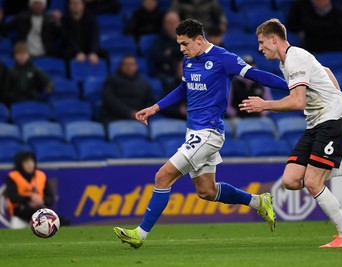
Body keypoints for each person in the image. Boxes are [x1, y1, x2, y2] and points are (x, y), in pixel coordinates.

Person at [113, 19, 291, 249]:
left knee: (162, 176)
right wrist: (155, 108)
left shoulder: (222, 57)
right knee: (206, 191)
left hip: (209, 132)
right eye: (179, 44)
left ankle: (140, 234)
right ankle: (259, 201)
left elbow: (257, 75)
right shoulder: (188, 60)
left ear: (199, 39)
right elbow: (183, 90)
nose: (181, 49)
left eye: (185, 43)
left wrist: (293, 85)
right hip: (194, 132)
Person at [240, 18, 342, 248]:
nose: (260, 48)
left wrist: (265, 105)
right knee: (291, 180)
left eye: (262, 42)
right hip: (316, 123)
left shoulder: (295, 59)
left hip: (331, 121)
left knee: (312, 181)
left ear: (274, 39)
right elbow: (326, 72)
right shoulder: (288, 62)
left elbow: (298, 102)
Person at [4, 151, 55, 228]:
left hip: (40, 211)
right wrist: (29, 199)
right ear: (20, 164)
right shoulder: (13, 176)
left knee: (53, 219)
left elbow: (50, 197)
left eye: (32, 161)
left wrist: (42, 201)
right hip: (20, 213)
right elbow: (12, 197)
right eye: (26, 162)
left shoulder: (41, 175)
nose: (30, 164)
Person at [100, 55, 154, 125]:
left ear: (136, 66)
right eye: (126, 64)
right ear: (121, 66)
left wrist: (142, 114)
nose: (129, 67)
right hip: (114, 117)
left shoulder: (143, 83)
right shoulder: (111, 81)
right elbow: (109, 100)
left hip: (139, 118)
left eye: (132, 64)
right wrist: (129, 113)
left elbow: (149, 101)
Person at [4, 41, 53, 105]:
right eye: (19, 54)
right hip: (16, 102)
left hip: (33, 100)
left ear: (28, 55)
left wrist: (49, 85)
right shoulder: (11, 72)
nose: (21, 57)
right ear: (15, 56)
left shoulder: (34, 69)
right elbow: (6, 90)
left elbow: (47, 80)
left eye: (24, 54)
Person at [61, 0, 105, 64]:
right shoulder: (65, 20)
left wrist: (93, 52)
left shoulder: (91, 18)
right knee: (66, 53)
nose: (75, 5)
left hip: (88, 48)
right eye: (72, 3)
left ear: (83, 5)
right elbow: (69, 38)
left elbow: (95, 36)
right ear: (69, 6)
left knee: (104, 54)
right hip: (72, 50)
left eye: (77, 3)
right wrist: (77, 52)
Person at [148, 11, 182, 84]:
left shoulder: (187, 40)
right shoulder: (158, 41)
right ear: (164, 24)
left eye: (174, 22)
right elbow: (159, 58)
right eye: (169, 23)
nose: (172, 25)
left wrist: (171, 52)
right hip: (165, 74)